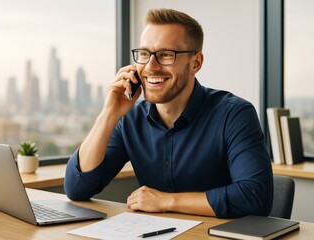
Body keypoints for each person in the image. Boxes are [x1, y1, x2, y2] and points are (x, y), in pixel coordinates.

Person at [64, 8, 273, 218]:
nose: (151, 67)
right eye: (144, 54)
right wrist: (108, 114)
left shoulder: (234, 114)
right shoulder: (130, 119)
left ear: (196, 63)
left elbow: (255, 197)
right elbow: (77, 189)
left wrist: (166, 201)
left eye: (165, 55)